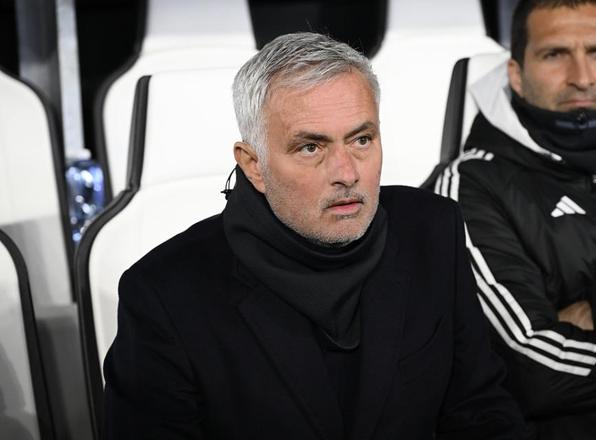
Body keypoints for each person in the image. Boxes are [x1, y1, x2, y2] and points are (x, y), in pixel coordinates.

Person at [103, 32, 524, 439]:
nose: (347, 173)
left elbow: (481, 411)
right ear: (253, 165)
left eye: (361, 139)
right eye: (311, 148)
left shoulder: (431, 231)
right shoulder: (165, 294)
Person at [434, 0, 596, 438]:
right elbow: (533, 371)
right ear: (516, 74)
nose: (581, 76)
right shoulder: (469, 187)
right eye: (555, 54)